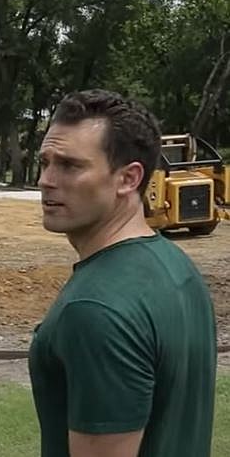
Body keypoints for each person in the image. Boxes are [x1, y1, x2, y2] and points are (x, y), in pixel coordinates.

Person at [29, 89, 215, 457]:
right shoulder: (176, 267)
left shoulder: (94, 309)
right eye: (44, 162)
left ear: (128, 179)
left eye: (69, 166)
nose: (45, 180)